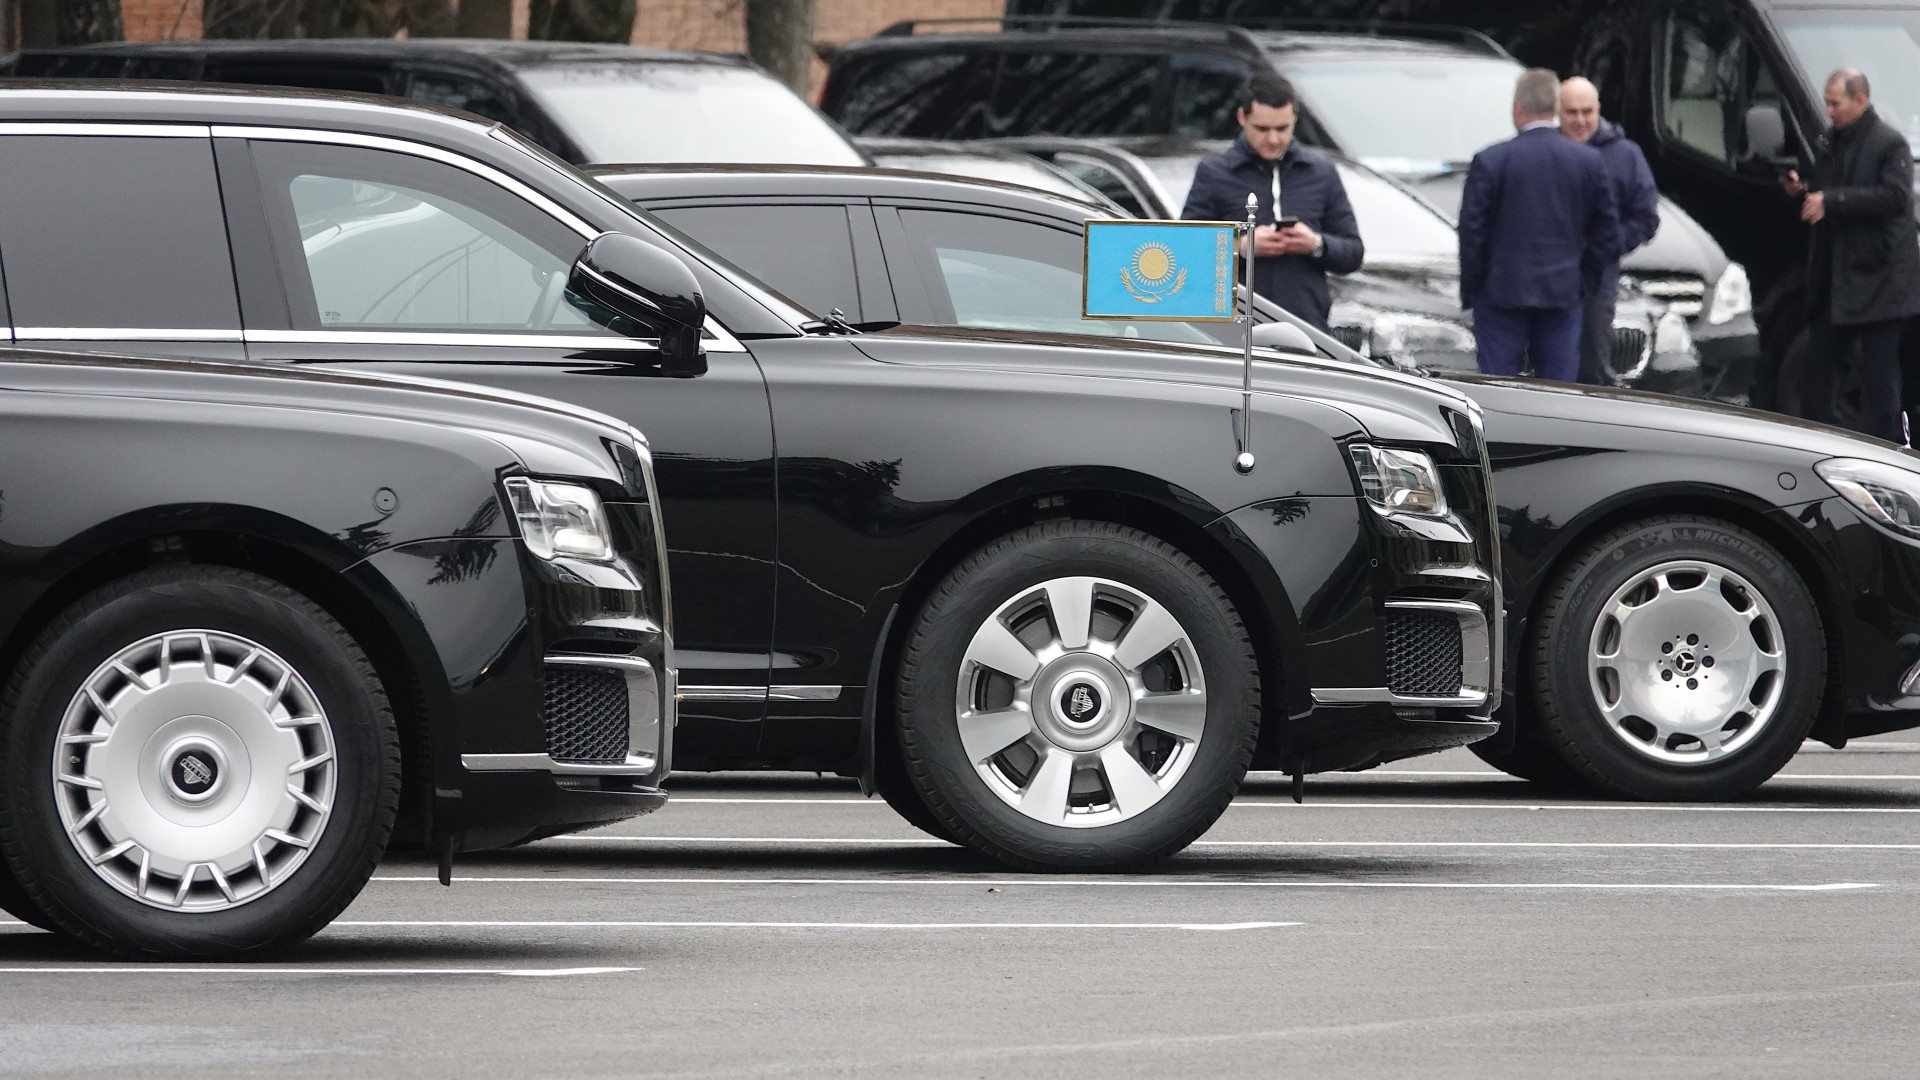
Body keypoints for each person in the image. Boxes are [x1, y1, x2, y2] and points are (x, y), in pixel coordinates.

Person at [1784, 69, 1920, 444]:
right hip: (1838, 274)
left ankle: (1890, 448)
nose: (1829, 111)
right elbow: (1825, 189)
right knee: (1817, 367)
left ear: (1860, 100)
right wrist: (1803, 190)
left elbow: (1895, 197)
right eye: (1826, 103)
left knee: (1880, 377)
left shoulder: (1890, 143)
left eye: (1835, 103)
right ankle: (1815, 440)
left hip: (1881, 278)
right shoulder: (1830, 142)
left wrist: (1832, 201)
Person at [1458, 68, 1619, 382]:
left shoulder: (1491, 161)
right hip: (1563, 295)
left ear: (1517, 108)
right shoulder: (1588, 162)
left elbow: (1471, 232)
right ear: (1556, 109)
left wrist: (1474, 285)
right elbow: (1607, 234)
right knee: (1557, 392)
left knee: (1498, 389)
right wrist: (1582, 281)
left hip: (1500, 293)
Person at [1181, 72, 1362, 332]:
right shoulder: (1214, 173)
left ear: (1295, 119)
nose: (1273, 139)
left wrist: (1315, 244)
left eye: (1282, 128)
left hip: (1307, 330)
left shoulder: (1321, 173)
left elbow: (1353, 253)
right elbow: (1185, 251)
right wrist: (1242, 247)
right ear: (1242, 118)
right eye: (1262, 129)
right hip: (1233, 331)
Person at [1559, 76, 1661, 385]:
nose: (1580, 121)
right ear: (1558, 112)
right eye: (1572, 112)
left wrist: (1606, 245)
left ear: (1599, 110)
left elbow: (1646, 218)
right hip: (1545, 273)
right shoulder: (1545, 151)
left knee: (1591, 367)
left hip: (1596, 279)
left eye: (1587, 112)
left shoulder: (1625, 155)